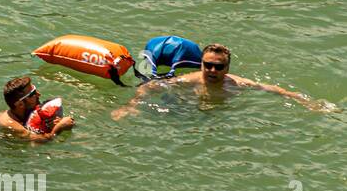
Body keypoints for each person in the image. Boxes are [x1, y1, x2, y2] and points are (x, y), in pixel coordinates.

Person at [112, 43, 332, 119]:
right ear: (201, 64)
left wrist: (307, 102)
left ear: (227, 68)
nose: (212, 70)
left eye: (218, 66)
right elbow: (150, 87)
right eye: (207, 64)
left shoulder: (236, 83)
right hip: (186, 110)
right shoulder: (189, 80)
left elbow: (277, 90)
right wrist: (129, 107)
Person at [0, 76, 75, 142]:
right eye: (33, 94)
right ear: (20, 104)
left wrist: (50, 124)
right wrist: (60, 127)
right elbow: (40, 141)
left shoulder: (19, 114)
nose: (39, 94)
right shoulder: (9, 123)